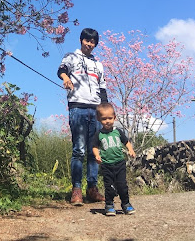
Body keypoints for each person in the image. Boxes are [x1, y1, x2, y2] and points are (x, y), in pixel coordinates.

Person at [57, 28, 107, 205]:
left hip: (95, 109)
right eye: (87, 40)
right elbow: (61, 69)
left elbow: (102, 89)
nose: (90, 44)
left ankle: (92, 189)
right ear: (81, 40)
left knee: (94, 151)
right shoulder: (71, 57)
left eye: (93, 42)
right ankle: (76, 190)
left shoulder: (98, 65)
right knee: (79, 150)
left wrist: (105, 110)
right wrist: (65, 78)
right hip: (77, 107)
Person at [91, 102, 136, 216]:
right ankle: (109, 205)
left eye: (110, 118)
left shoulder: (118, 131)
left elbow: (126, 141)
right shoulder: (99, 134)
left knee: (122, 185)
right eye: (104, 118)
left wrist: (130, 150)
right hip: (107, 165)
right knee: (109, 186)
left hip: (119, 163)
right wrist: (97, 155)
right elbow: (95, 146)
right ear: (98, 119)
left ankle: (126, 204)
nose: (107, 121)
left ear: (114, 118)